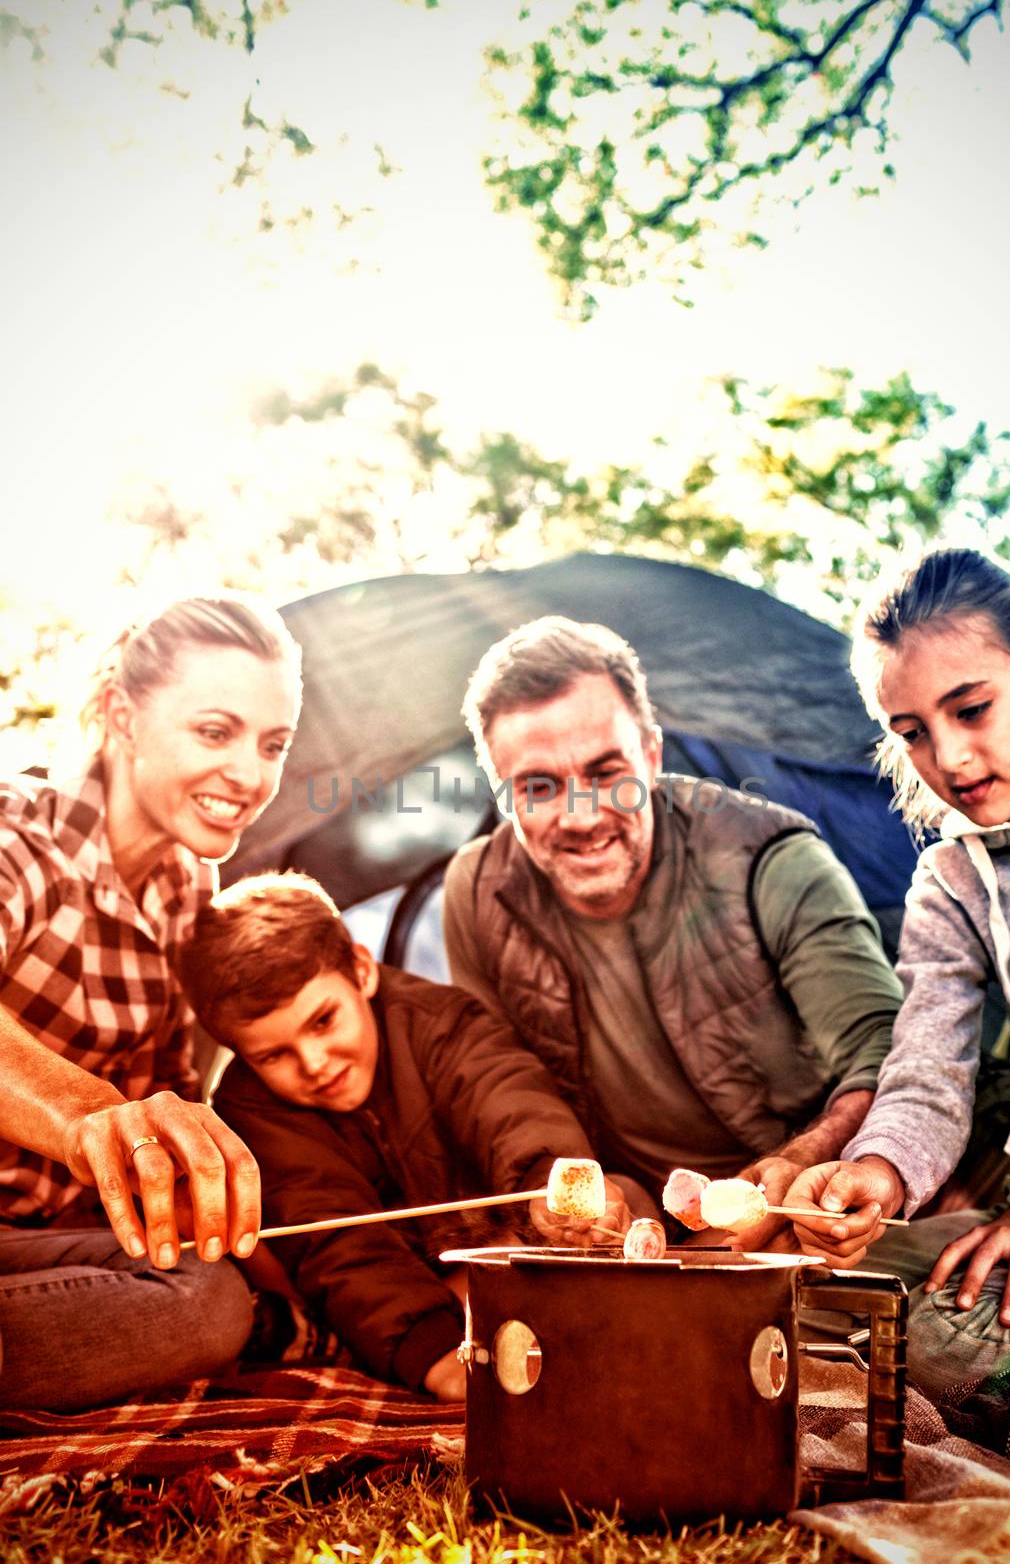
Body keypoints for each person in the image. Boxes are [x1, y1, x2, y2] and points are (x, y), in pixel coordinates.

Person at [442, 616, 905, 1244]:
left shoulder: (772, 858)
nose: (581, 816)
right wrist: (561, 1179)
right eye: (539, 787)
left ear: (652, 756)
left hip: (804, 1206)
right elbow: (494, 1078)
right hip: (634, 1223)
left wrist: (804, 1164)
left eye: (607, 773)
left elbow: (886, 1052)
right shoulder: (477, 890)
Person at [0, 594, 302, 1411]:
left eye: (272, 744)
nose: (249, 774)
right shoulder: (20, 836)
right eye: (215, 731)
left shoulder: (185, 888)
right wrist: (88, 1117)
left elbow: (166, 1106)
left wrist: (292, 1268)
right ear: (122, 718)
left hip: (46, 1243)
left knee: (209, 1298)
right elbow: (112, 1117)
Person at [785, 548, 1010, 1406]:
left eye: (971, 708)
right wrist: (878, 1172)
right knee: (807, 1298)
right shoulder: (950, 875)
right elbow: (926, 1063)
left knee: (963, 1333)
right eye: (909, 731)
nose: (946, 756)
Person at [180, 870, 623, 1402]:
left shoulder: (440, 1022)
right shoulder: (249, 1108)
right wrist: (435, 1355)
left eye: (323, 1021)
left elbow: (512, 1104)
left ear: (362, 972)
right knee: (273, 1254)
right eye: (273, 1055)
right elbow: (335, 1243)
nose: (314, 1064)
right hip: (398, 1293)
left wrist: (550, 1183)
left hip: (512, 1249)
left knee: (624, 1202)